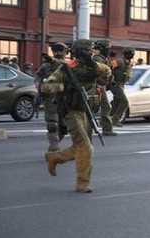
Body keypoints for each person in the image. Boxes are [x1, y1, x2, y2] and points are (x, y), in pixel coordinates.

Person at [43, 40, 112, 193]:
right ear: (79, 52)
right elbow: (47, 86)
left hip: (87, 111)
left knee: (80, 147)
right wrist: (65, 88)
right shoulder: (67, 69)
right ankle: (82, 183)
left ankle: (54, 157)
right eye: (87, 51)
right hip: (71, 111)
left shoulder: (95, 67)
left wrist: (97, 68)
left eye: (91, 51)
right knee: (86, 147)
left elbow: (107, 73)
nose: (90, 53)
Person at [36, 43, 69, 151]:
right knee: (52, 122)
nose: (60, 53)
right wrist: (41, 89)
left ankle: (55, 143)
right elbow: (38, 79)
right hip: (52, 97)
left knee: (64, 126)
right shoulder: (47, 65)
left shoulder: (66, 65)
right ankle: (54, 145)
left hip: (63, 97)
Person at [92, 40, 117, 136]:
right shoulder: (98, 59)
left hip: (100, 86)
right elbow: (99, 73)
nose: (108, 50)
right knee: (103, 107)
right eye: (107, 48)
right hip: (97, 86)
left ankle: (106, 128)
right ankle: (106, 129)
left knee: (100, 107)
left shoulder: (102, 58)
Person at [110, 48, 134, 127]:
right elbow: (109, 67)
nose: (131, 55)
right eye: (130, 53)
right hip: (115, 84)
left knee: (116, 104)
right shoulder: (119, 61)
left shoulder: (128, 63)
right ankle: (115, 120)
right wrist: (111, 78)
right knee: (124, 102)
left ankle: (107, 120)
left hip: (121, 85)